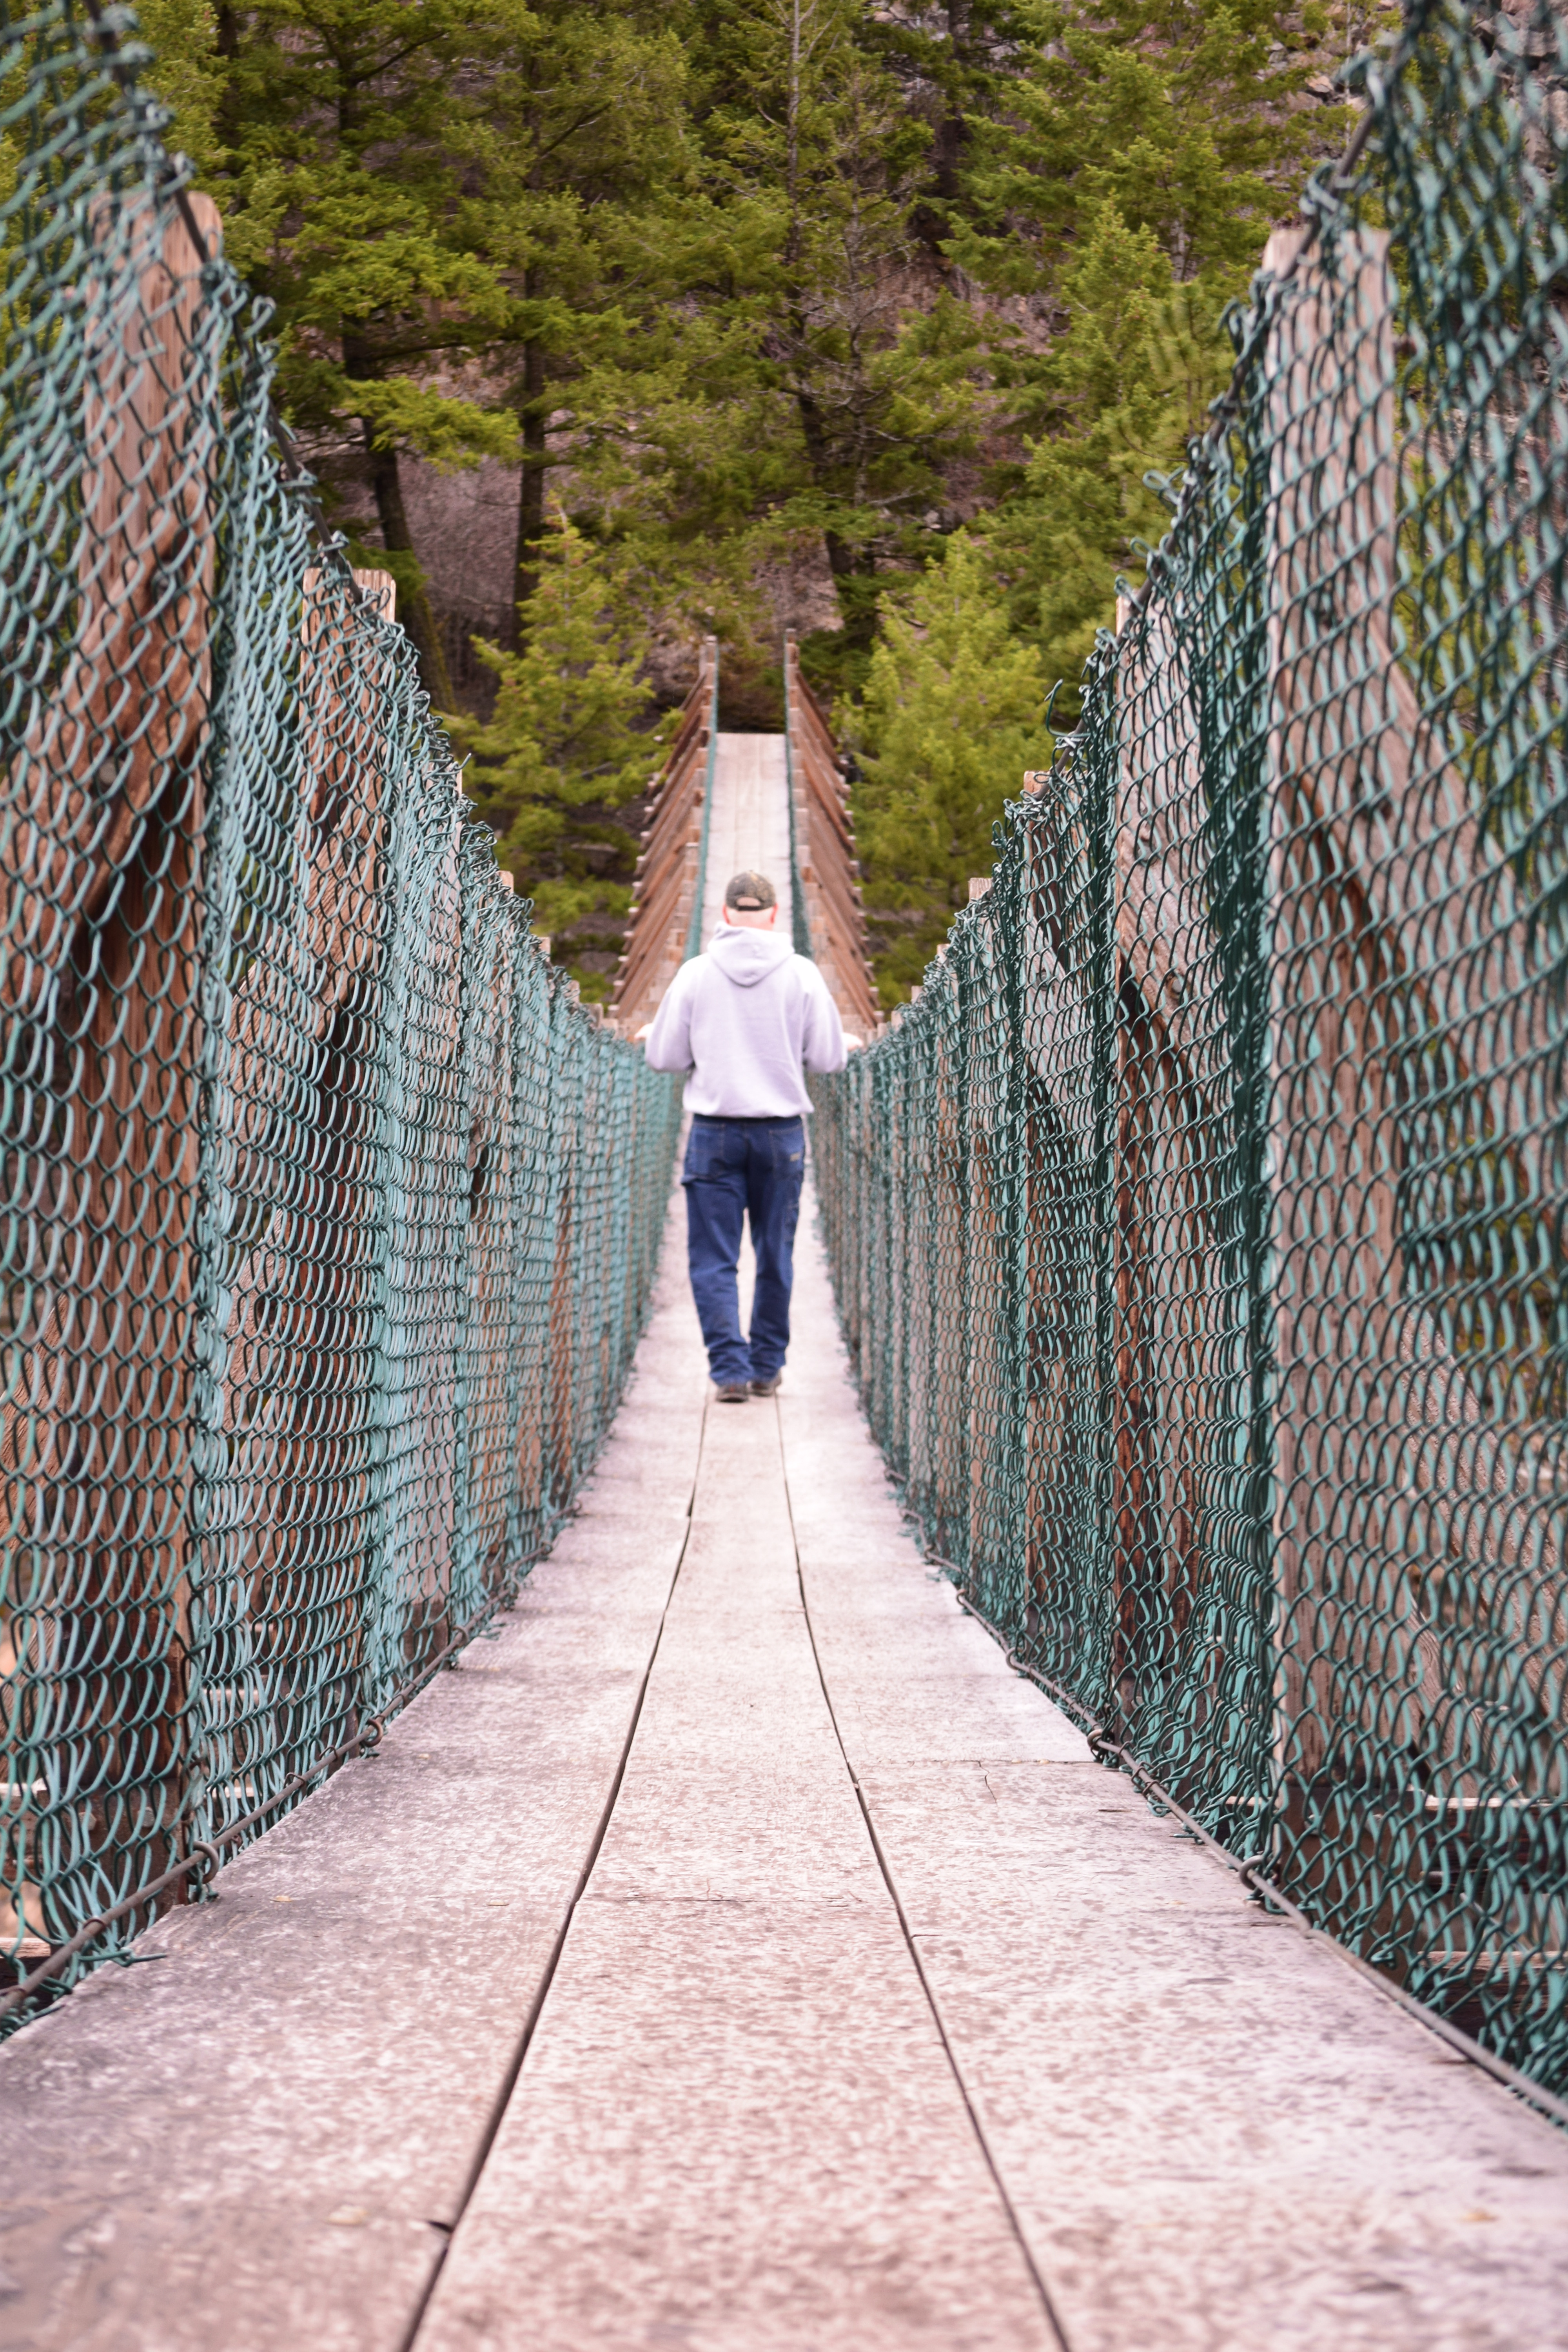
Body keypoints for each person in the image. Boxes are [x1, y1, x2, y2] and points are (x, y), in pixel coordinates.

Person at [644, 870, 846, 1401]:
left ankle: (729, 1371)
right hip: (781, 1136)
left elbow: (664, 1057)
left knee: (714, 1258)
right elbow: (828, 1058)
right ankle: (766, 1367)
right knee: (775, 1253)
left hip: (714, 1133)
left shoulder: (695, 974)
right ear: (776, 915)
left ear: (727, 915)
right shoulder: (803, 975)